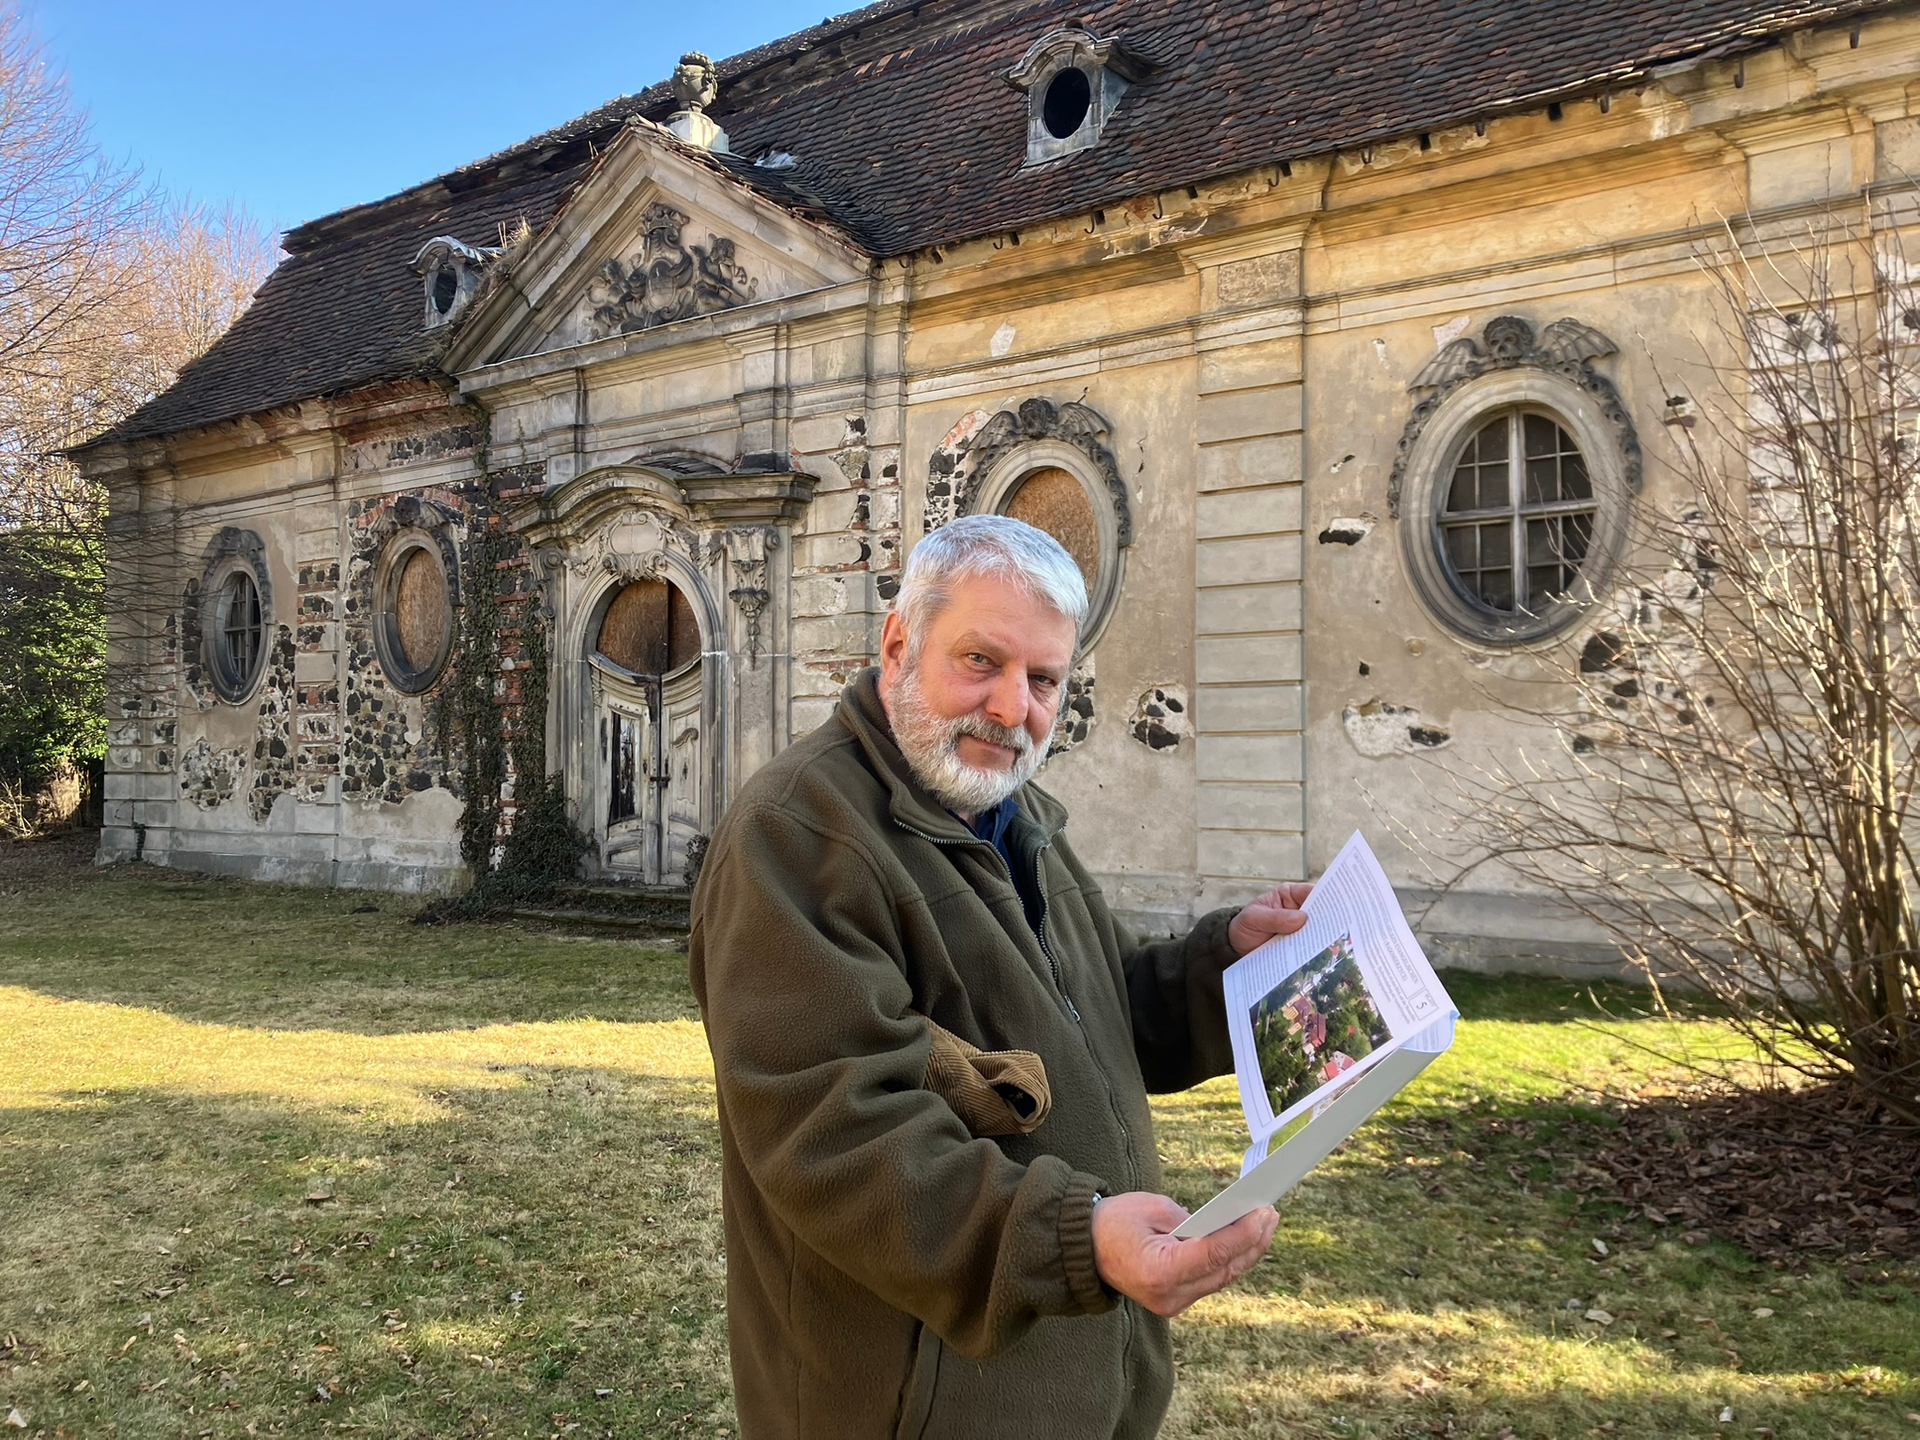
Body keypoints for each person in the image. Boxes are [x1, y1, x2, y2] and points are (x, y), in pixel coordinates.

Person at [690, 514, 1313, 1439]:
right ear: (898, 644)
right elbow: (834, 1133)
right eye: (981, 660)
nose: (1014, 707)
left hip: (1069, 1387)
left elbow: (1100, 1016)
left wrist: (1231, 967)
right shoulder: (798, 834)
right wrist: (1073, 1236)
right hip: (908, 1408)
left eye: (1045, 679)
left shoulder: (1012, 813)